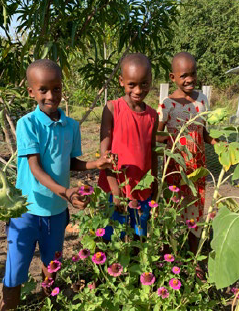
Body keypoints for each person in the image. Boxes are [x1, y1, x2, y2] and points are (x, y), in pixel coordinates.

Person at [0, 59, 112, 311]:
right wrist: (67, 192)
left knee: (52, 269)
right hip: (26, 212)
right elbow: (36, 168)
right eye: (43, 90)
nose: (51, 95)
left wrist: (96, 164)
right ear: (31, 92)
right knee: (15, 273)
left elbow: (71, 162)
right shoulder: (27, 124)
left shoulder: (71, 126)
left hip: (56, 213)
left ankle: (47, 304)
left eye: (57, 88)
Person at [157, 52, 218, 256]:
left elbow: (204, 132)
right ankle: (166, 255)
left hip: (197, 169)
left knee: (195, 211)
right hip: (174, 169)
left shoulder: (202, 100)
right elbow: (158, 135)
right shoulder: (167, 104)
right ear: (172, 77)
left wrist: (219, 144)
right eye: (183, 75)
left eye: (193, 73)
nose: (189, 79)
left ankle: (193, 258)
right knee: (170, 211)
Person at [98, 53, 158, 241]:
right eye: (132, 84)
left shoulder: (153, 116)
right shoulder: (112, 109)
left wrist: (154, 187)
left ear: (151, 81)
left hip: (142, 189)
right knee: (111, 237)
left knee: (140, 237)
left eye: (144, 84)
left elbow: (152, 152)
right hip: (115, 188)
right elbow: (104, 155)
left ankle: (137, 269)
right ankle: (107, 271)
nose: (138, 90)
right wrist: (116, 191)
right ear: (121, 81)